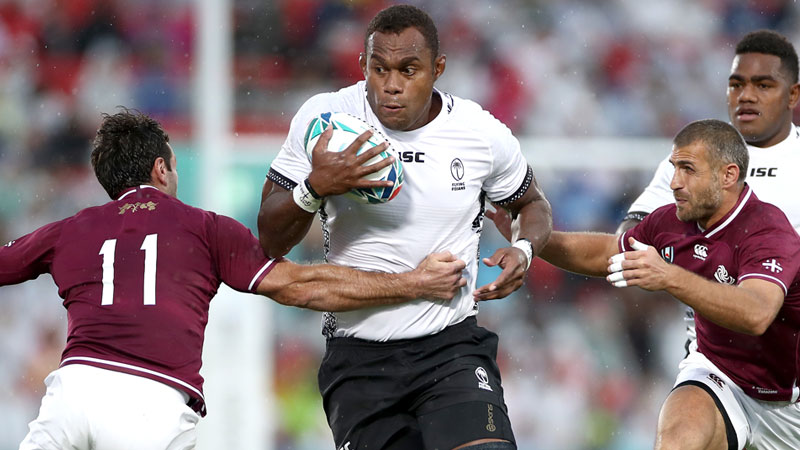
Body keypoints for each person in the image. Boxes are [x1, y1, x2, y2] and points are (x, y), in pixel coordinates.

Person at [0, 110, 469, 450]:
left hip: (73, 392)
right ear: (161, 168)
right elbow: (300, 286)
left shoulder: (68, 230)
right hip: (151, 404)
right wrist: (413, 283)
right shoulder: (204, 228)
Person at [258, 5, 552, 450]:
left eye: (408, 70)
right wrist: (315, 187)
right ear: (363, 65)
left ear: (438, 69)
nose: (391, 85)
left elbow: (532, 204)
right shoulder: (327, 120)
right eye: (379, 69)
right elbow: (270, 237)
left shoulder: (478, 132)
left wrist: (524, 249)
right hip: (359, 359)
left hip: (451, 349)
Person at [512, 119, 800, 450]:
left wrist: (670, 276)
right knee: (678, 440)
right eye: (674, 168)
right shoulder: (670, 222)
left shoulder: (769, 232)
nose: (674, 182)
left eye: (688, 170)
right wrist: (533, 240)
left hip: (790, 400)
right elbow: (607, 253)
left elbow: (756, 313)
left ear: (728, 176)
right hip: (719, 376)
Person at [617, 29, 800, 354]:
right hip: (713, 357)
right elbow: (630, 237)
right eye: (736, 84)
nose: (746, 95)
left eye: (763, 85)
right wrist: (699, 258)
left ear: (792, 95)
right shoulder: (693, 158)